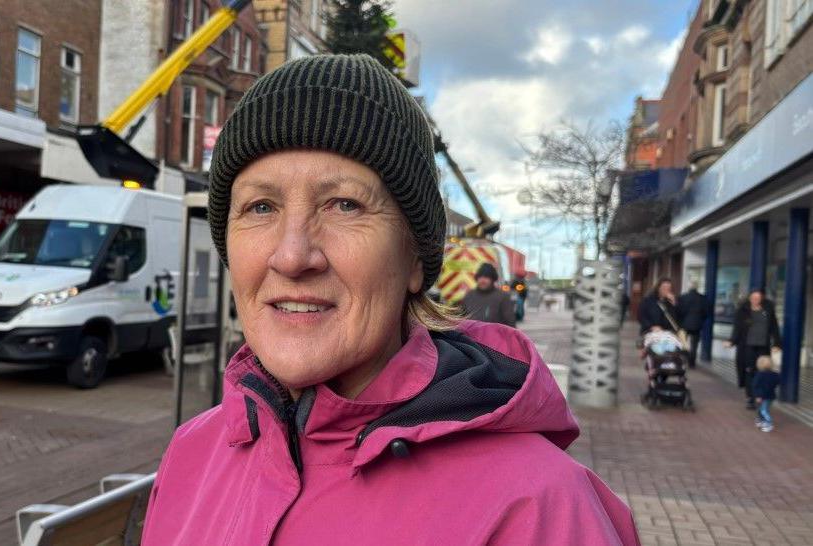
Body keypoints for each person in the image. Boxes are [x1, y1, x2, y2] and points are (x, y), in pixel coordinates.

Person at [141, 54, 638, 545]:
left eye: (344, 205)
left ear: (416, 259)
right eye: (261, 206)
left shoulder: (538, 509)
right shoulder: (191, 452)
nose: (292, 256)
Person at [726, 288, 782, 410]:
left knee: (762, 371)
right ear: (750, 298)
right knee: (749, 371)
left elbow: (774, 327)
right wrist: (732, 341)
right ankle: (750, 398)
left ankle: (760, 395)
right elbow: (737, 328)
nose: (756, 300)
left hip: (763, 346)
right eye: (754, 298)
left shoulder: (767, 310)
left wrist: (777, 343)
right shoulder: (743, 311)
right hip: (747, 346)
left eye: (758, 298)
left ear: (761, 298)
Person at [461, 263, 517, 327]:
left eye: (486, 277)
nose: (482, 280)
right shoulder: (469, 295)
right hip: (470, 335)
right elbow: (461, 318)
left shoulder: (502, 297)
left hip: (494, 336)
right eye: (480, 277)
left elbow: (510, 322)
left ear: (492, 279)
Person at [677, 282, 709, 368]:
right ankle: (692, 363)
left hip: (684, 324)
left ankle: (682, 360)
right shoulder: (702, 298)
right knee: (694, 344)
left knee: (683, 343)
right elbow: (706, 312)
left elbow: (679, 311)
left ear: (689, 288)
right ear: (697, 288)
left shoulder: (683, 297)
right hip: (697, 324)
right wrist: (701, 320)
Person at [752, 355, 780, 432]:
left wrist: (757, 396)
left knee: (763, 410)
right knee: (764, 409)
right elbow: (778, 382)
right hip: (771, 395)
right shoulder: (775, 374)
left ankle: (768, 423)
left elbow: (755, 385)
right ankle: (762, 421)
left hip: (762, 396)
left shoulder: (759, 374)